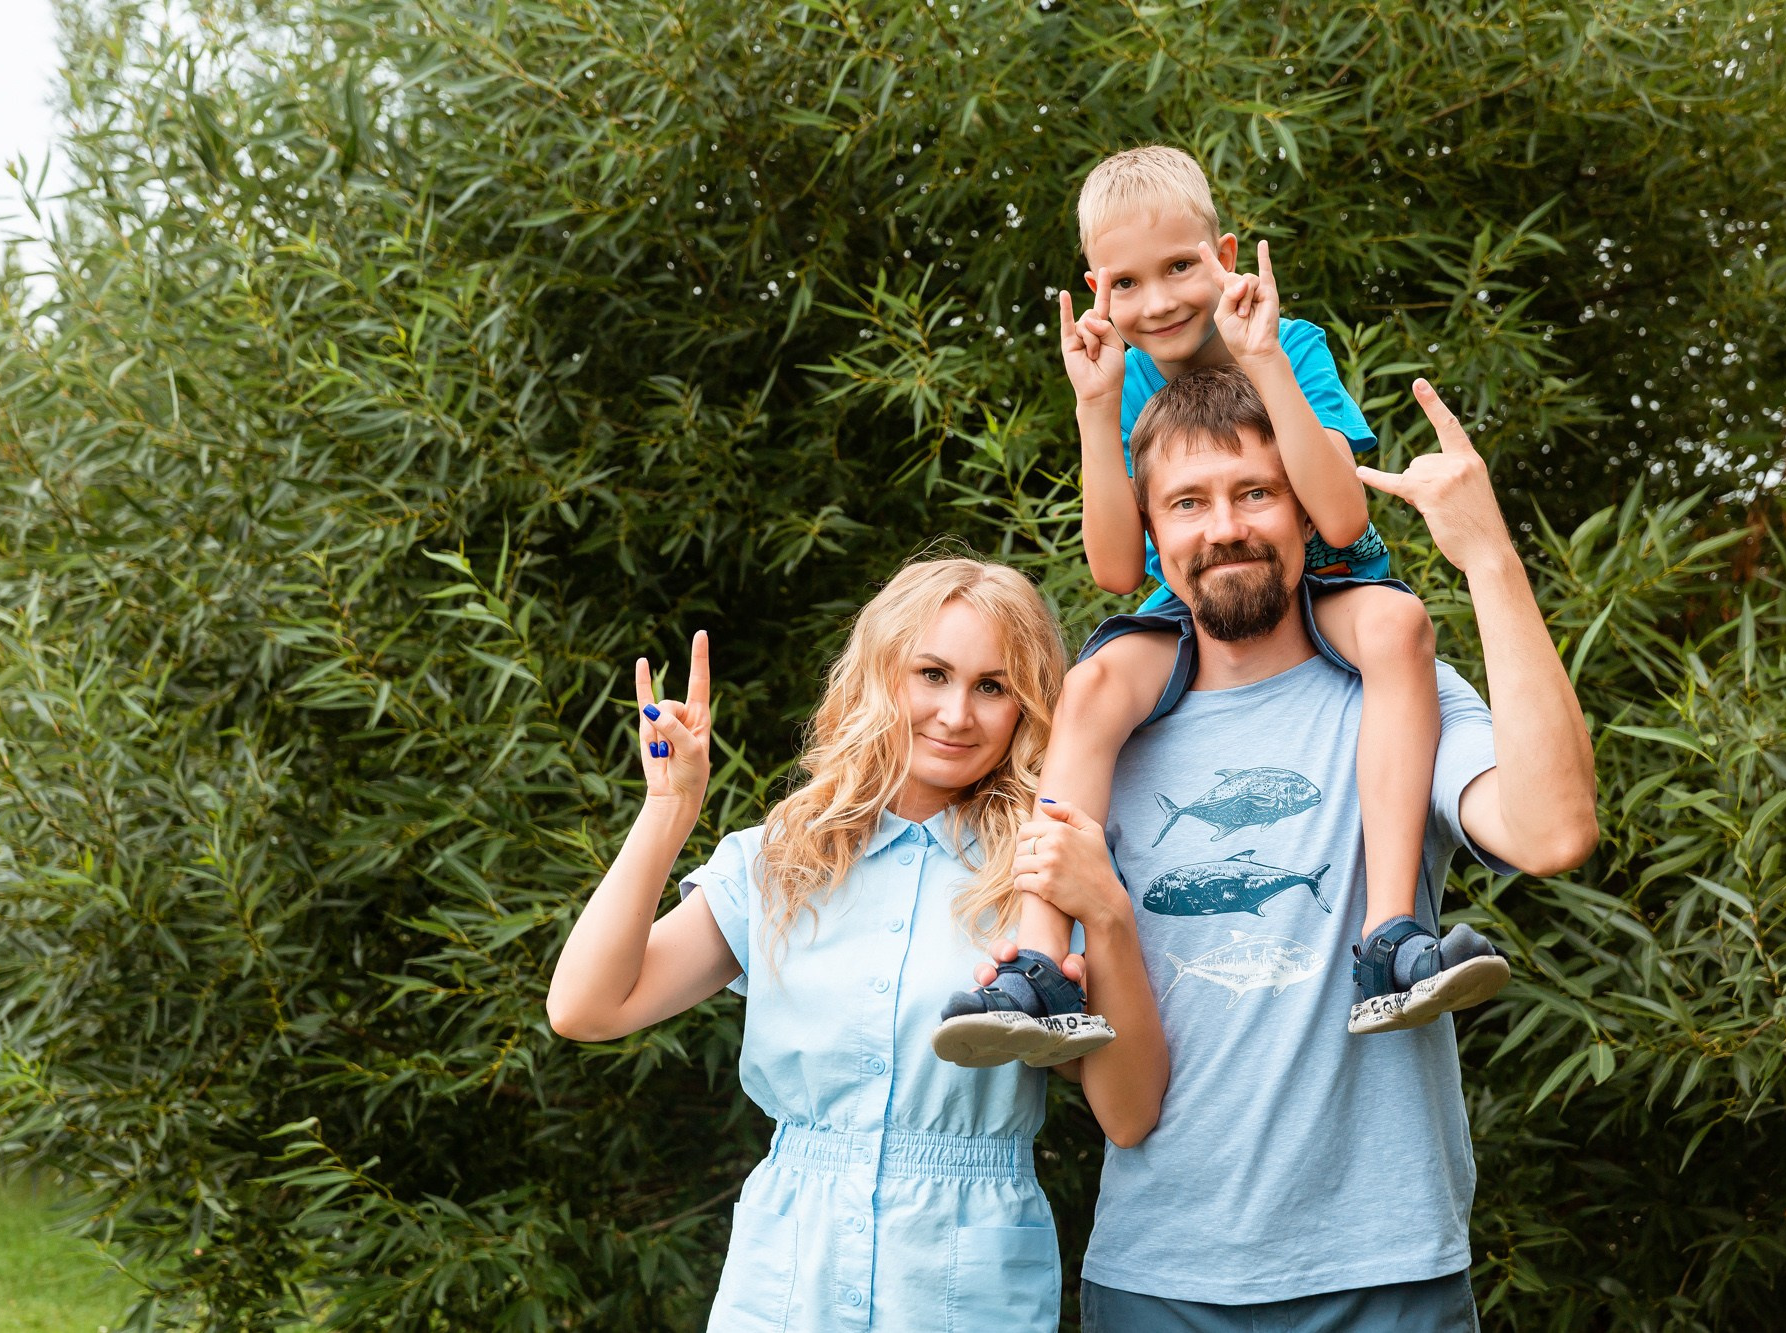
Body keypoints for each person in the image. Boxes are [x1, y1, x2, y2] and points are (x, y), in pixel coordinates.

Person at [991, 366, 1597, 1328]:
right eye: (1188, 502)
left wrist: (1489, 558)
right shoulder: (1108, 729)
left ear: (1307, 512)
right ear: (1150, 530)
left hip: (1387, 1271)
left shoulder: (1402, 694)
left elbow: (1556, 829)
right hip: (1160, 1277)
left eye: (1255, 492)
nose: (1223, 526)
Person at [936, 145, 1502, 1068]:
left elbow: (1341, 511)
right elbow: (1119, 569)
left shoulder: (1293, 343)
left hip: (1328, 579)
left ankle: (1390, 936)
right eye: (1128, 282)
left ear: (1225, 252)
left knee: (1400, 625)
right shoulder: (1123, 388)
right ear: (1097, 290)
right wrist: (1094, 404)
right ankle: (1038, 962)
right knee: (1091, 685)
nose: (1158, 301)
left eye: (1180, 268)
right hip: (1197, 605)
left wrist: (1265, 358)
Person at [544, 557, 1166, 1332]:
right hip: (785, 1282)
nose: (956, 713)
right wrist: (670, 808)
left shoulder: (1044, 873)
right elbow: (584, 1007)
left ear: (1027, 708)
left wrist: (1105, 913)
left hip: (960, 1289)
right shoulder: (782, 860)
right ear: (879, 676)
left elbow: (1131, 1113)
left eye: (992, 686)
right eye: (931, 673)